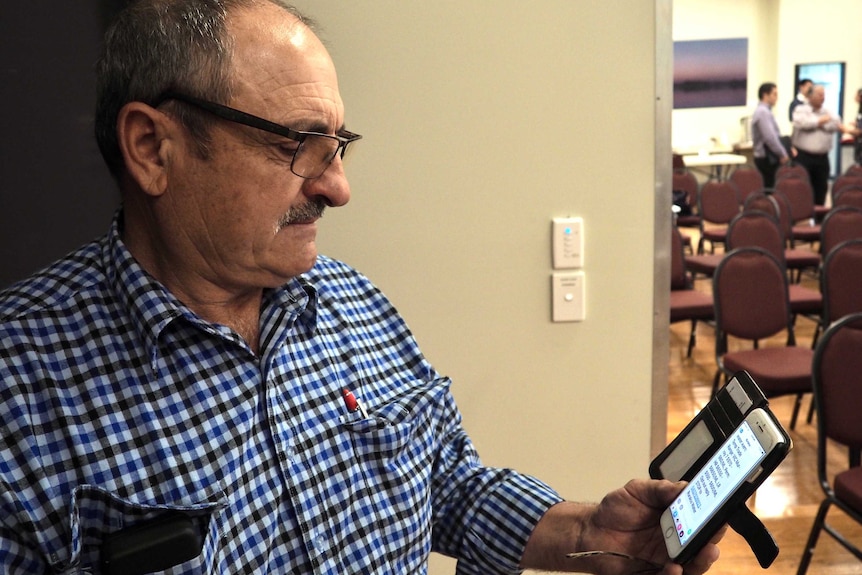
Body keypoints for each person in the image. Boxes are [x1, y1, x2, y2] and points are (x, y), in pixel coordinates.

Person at [0, 1, 724, 573]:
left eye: (338, 145)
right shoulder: (19, 390)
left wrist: (589, 533)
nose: (339, 187)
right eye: (297, 144)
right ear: (154, 148)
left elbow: (451, 486)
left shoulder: (356, 304)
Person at [792, 83, 845, 205]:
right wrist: (820, 121)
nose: (823, 97)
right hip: (804, 157)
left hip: (822, 158)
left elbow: (836, 124)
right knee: (802, 188)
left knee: (821, 189)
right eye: (819, 95)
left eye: (824, 95)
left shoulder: (828, 111)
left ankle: (820, 219)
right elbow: (803, 123)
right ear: (810, 96)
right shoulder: (800, 110)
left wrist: (817, 123)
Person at [751, 82, 789, 188]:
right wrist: (782, 153)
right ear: (765, 95)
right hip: (766, 158)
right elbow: (770, 137)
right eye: (774, 94)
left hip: (768, 156)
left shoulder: (765, 111)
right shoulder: (763, 112)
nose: (777, 97)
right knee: (770, 189)